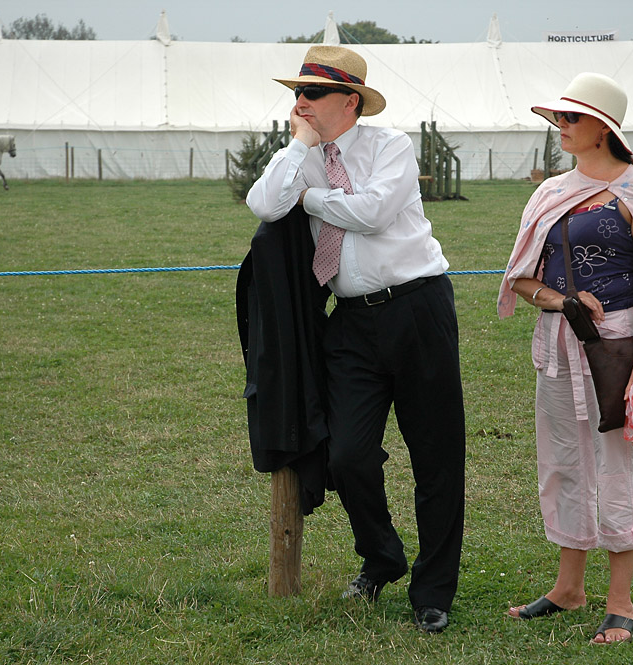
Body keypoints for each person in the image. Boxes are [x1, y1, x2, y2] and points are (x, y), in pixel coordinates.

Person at [246, 45, 466, 634]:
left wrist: (310, 197)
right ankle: (382, 558)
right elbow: (262, 203)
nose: (300, 104)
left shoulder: (390, 145)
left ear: (350, 101)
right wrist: (298, 149)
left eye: (312, 94)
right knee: (345, 452)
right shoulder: (300, 154)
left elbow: (370, 212)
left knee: (436, 456)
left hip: (417, 307)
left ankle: (433, 590)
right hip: (349, 321)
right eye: (295, 94)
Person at [496, 72, 633, 645]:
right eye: (558, 117)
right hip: (556, 344)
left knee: (612, 465)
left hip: (618, 346)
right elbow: (523, 279)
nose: (562, 127)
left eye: (572, 118)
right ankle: (567, 588)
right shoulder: (549, 192)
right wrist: (562, 300)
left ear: (603, 127)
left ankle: (621, 602)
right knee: (561, 460)